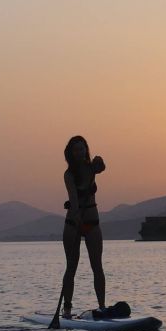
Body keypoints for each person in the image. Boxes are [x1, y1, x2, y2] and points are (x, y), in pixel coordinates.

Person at [61, 136, 106, 318]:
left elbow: (102, 167)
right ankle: (67, 309)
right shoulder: (69, 174)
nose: (80, 152)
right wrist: (77, 216)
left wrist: (100, 161)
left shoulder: (91, 168)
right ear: (70, 153)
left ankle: (102, 307)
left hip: (93, 223)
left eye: (82, 148)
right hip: (73, 224)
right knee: (71, 267)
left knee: (97, 266)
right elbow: (73, 200)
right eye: (76, 149)